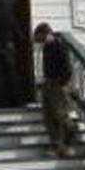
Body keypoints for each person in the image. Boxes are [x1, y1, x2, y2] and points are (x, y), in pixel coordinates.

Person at [33, 22, 74, 157]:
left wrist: (63, 83)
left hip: (58, 84)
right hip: (48, 83)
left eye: (39, 36)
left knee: (62, 115)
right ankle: (57, 146)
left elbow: (67, 68)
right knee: (49, 116)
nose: (38, 41)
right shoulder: (46, 48)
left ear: (46, 33)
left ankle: (67, 144)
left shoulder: (59, 46)